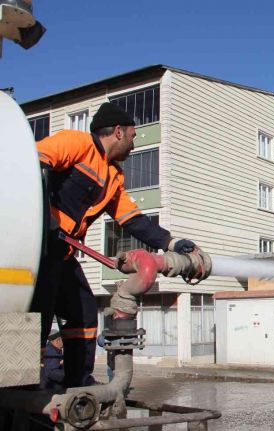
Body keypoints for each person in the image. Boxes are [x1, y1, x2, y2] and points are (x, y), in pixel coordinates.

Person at [30, 102, 197, 388]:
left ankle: (78, 384)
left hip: (63, 253)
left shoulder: (114, 176)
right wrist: (46, 219)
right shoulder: (76, 143)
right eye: (133, 136)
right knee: (35, 319)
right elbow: (31, 163)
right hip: (36, 249)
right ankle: (24, 389)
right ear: (118, 131)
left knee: (83, 313)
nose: (134, 145)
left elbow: (132, 219)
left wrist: (171, 242)